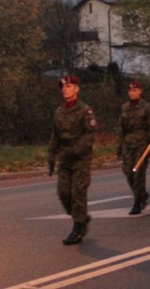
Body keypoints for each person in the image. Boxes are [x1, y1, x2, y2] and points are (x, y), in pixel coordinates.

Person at [48, 76, 96, 245]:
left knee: (78, 193)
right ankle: (81, 217)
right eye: (63, 87)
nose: (65, 90)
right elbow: (55, 135)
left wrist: (75, 151)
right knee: (63, 193)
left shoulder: (85, 110)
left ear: (77, 89)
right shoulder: (59, 112)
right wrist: (51, 156)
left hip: (80, 159)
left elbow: (89, 136)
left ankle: (78, 228)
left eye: (68, 86)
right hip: (65, 159)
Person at [117, 80, 150, 215]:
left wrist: (149, 146)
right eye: (131, 90)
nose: (133, 93)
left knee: (138, 174)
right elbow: (121, 128)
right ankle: (142, 194)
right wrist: (119, 146)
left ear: (140, 91)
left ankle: (137, 201)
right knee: (128, 172)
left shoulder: (146, 107)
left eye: (135, 90)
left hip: (141, 145)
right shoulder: (125, 107)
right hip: (128, 144)